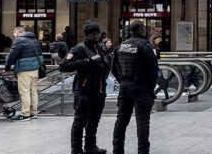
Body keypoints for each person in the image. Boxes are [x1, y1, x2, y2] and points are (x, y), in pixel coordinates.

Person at [60, 21, 111, 154]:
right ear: (87, 35)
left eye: (98, 33)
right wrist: (87, 61)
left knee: (94, 121)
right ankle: (76, 150)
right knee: (80, 121)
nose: (97, 36)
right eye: (94, 34)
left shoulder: (99, 47)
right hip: (84, 90)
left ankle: (90, 147)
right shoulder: (78, 49)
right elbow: (63, 65)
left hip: (99, 90)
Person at [111, 20, 160, 154]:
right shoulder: (145, 46)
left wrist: (122, 80)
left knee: (121, 120)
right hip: (141, 86)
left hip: (125, 86)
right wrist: (150, 88)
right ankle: (143, 151)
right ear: (142, 30)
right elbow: (154, 70)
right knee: (142, 120)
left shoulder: (120, 46)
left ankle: (117, 150)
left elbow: (113, 68)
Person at [4, 26, 43, 121]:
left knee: (24, 92)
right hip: (35, 69)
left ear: (17, 32)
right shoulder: (34, 39)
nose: (14, 36)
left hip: (25, 70)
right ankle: (33, 113)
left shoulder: (19, 41)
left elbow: (12, 55)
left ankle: (25, 114)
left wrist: (7, 68)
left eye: (14, 34)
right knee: (33, 91)